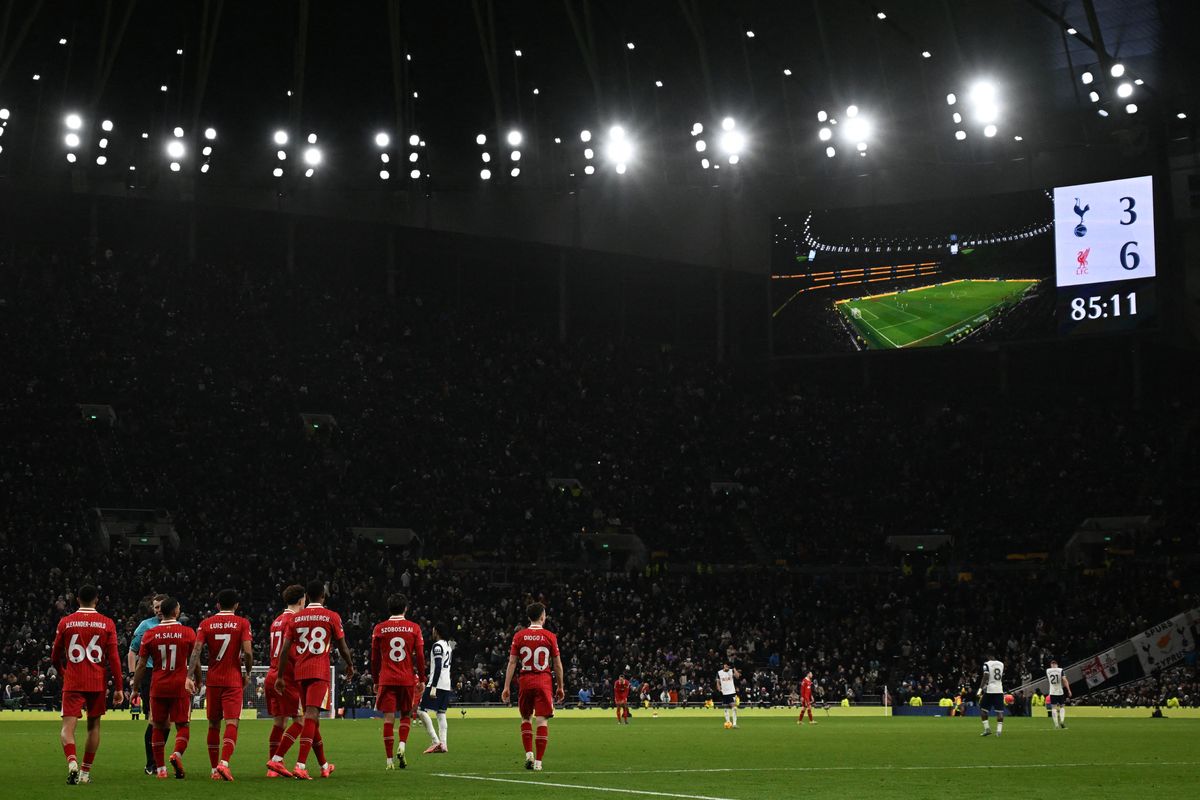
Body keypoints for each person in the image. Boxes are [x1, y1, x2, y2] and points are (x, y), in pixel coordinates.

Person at [273, 580, 354, 780]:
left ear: (307, 597)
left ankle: (324, 765)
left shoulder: (296, 618)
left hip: (300, 672)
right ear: (323, 596)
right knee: (311, 715)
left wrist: (281, 676)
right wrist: (350, 665)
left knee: (312, 718)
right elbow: (343, 647)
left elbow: (284, 650)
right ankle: (298, 764)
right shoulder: (332, 616)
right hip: (319, 671)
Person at [50, 584, 124, 785]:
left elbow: (55, 657)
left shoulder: (65, 622)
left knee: (67, 727)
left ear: (77, 599)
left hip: (73, 681)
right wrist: (119, 687)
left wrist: (65, 672)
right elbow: (114, 658)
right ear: (96, 600)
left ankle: (72, 761)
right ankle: (84, 773)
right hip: (97, 682)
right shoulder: (107, 623)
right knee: (94, 726)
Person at [188, 589, 253, 781]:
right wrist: (247, 672)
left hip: (214, 680)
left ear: (217, 605)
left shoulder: (205, 624)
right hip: (233, 680)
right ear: (236, 605)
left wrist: (189, 676)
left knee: (213, 725)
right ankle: (224, 763)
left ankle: (214, 770)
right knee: (232, 722)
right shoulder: (242, 623)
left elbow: (196, 651)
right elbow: (248, 653)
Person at [133, 597, 197, 779]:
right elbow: (195, 660)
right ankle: (176, 754)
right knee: (183, 725)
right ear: (176, 612)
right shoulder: (188, 632)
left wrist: (136, 688)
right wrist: (195, 679)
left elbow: (141, 664)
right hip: (179, 685)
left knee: (158, 727)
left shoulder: (150, 634)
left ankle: (160, 769)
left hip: (158, 685)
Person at [501, 602, 565, 771]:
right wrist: (560, 686)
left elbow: (512, 662)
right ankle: (539, 763)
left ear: (529, 617)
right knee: (542, 720)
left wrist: (506, 686)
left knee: (525, 718)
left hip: (525, 681)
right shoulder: (550, 636)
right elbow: (557, 665)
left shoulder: (519, 636)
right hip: (543, 681)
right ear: (542, 617)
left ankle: (529, 754)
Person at [369, 594, 425, 770]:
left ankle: (389, 761)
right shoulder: (414, 628)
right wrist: (422, 678)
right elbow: (421, 656)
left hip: (387, 678)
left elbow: (374, 658)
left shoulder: (379, 628)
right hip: (406, 678)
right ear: (405, 608)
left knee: (388, 718)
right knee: (406, 715)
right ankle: (402, 745)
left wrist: (375, 679)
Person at [264, 585, 313, 777]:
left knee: (279, 722)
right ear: (302, 600)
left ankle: (273, 770)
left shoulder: (276, 621)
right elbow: (292, 651)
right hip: (287, 677)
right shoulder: (296, 620)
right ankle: (276, 760)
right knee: (300, 721)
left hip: (272, 674)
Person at [127, 594, 166, 775]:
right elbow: (132, 651)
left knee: (166, 722)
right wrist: (133, 675)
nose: (158, 610)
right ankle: (152, 763)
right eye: (155, 607)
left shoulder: (177, 626)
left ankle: (157, 760)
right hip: (150, 674)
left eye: (160, 607)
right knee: (154, 719)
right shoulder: (146, 625)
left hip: (170, 674)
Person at [417, 621, 455, 753]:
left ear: (437, 632)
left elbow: (438, 666)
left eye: (434, 630)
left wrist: (433, 686)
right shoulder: (449, 646)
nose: (432, 632)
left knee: (421, 710)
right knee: (441, 713)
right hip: (446, 684)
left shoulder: (437, 646)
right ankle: (443, 744)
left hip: (436, 683)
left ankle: (435, 741)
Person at [979, 653, 1005, 737]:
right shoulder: (1001, 664)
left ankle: (987, 729)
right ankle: (999, 731)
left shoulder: (986, 664)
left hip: (990, 690)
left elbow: (986, 676)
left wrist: (980, 689)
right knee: (999, 712)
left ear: (988, 656)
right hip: (999, 690)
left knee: (983, 709)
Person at [1046, 659, 1072, 729]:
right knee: (1062, 707)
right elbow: (1065, 680)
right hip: (1060, 692)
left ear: (1051, 665)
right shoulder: (1060, 670)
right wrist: (1069, 690)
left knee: (1053, 708)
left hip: (1052, 692)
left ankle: (1056, 724)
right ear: (1057, 665)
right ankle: (1062, 721)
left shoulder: (1048, 670)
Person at [716, 662, 740, 728]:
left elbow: (737, 676)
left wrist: (734, 669)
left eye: (728, 666)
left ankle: (734, 724)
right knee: (726, 708)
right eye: (725, 665)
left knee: (734, 708)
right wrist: (719, 689)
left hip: (732, 692)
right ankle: (728, 722)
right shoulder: (719, 673)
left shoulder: (731, 671)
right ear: (723, 666)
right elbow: (718, 682)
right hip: (724, 693)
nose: (727, 666)